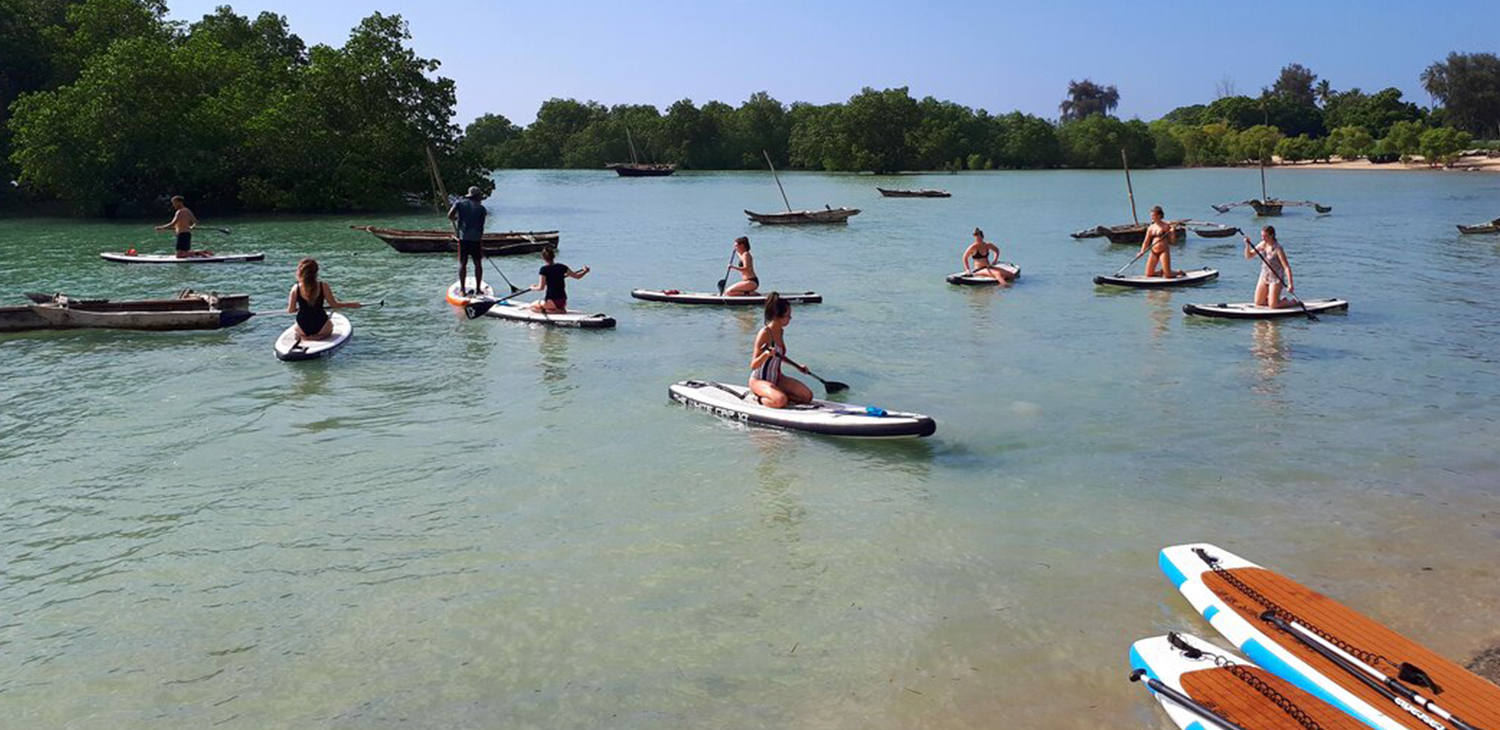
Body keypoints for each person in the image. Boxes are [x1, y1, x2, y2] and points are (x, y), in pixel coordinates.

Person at [748, 292, 813, 409]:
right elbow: (753, 365)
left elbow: (779, 356)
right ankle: (757, 398)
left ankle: (778, 397)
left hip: (777, 378)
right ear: (778, 316)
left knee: (807, 396)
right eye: (788, 316)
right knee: (780, 401)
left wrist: (797, 366)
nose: (790, 319)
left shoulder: (780, 331)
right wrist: (766, 354)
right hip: (759, 380)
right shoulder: (765, 333)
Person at [286, 258, 362, 339]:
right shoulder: (323, 286)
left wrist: (301, 308)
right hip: (321, 326)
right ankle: (319, 336)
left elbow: (291, 310)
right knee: (331, 326)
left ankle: (304, 336)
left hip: (302, 327)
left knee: (296, 328)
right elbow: (334, 305)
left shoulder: (295, 288)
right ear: (316, 272)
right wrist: (352, 304)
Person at [448, 186, 488, 295]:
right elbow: (481, 226)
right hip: (476, 239)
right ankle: (478, 289)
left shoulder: (459, 203)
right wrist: (480, 240)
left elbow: (450, 216)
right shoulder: (481, 209)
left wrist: (457, 220)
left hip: (463, 238)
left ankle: (462, 290)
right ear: (477, 197)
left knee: (462, 263)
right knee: (478, 263)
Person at [1243, 225, 1296, 308]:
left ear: (1272, 235)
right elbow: (1249, 256)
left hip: (1276, 278)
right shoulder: (1263, 244)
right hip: (1264, 276)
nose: (1263, 238)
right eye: (1262, 236)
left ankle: (1292, 302)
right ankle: (1273, 298)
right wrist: (1247, 244)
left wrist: (1290, 284)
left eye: (1265, 236)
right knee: (1258, 302)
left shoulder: (1278, 249)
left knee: (1273, 306)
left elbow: (1286, 267)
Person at [530, 246, 590, 313]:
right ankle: (559, 309)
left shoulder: (544, 270)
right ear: (554, 256)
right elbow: (577, 276)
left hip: (551, 302)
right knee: (539, 305)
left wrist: (533, 288)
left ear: (543, 258)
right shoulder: (562, 267)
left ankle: (555, 311)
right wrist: (585, 271)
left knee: (532, 307)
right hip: (563, 301)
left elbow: (541, 288)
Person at [1138, 206, 1181, 279]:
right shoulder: (1150, 228)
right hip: (1153, 251)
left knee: (1168, 276)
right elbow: (1146, 241)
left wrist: (1173, 233)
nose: (1152, 217)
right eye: (1151, 215)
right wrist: (1142, 251)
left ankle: (1178, 272)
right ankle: (1161, 272)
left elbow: (1172, 242)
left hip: (1163, 251)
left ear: (1159, 215)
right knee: (1148, 274)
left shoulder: (1165, 226)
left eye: (1154, 215)